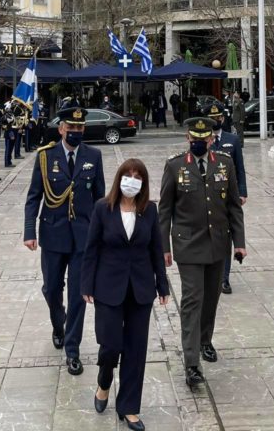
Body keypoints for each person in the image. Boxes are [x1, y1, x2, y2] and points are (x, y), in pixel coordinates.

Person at [82, 159, 169, 431]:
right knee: (110, 345)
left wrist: (162, 285)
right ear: (119, 178)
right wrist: (86, 285)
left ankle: (129, 407)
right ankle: (104, 380)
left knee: (135, 349)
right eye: (128, 175)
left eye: (138, 176)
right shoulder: (102, 208)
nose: (132, 180)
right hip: (108, 287)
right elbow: (91, 248)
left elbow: (156, 249)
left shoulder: (149, 210)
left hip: (140, 289)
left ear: (143, 182)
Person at [158, 117, 245, 389]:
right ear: (188, 138)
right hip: (188, 245)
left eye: (203, 139)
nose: (198, 143)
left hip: (218, 243)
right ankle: (192, 363)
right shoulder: (175, 166)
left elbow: (234, 206)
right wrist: (164, 247)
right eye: (194, 139)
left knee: (211, 299)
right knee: (192, 300)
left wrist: (239, 242)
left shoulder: (224, 163)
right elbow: (164, 210)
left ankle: (205, 340)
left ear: (211, 139)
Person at [24, 105, 106, 376]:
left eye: (80, 128)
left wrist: (104, 234)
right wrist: (29, 231)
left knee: (78, 295)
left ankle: (73, 350)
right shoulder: (46, 157)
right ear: (61, 129)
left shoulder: (94, 155)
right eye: (71, 127)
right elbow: (34, 196)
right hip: (53, 234)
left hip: (83, 237)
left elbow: (100, 199)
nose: (75, 132)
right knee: (51, 289)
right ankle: (58, 323)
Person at [205, 103, 247, 295]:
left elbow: (240, 168)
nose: (216, 121)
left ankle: (224, 278)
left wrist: (242, 192)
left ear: (223, 118)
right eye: (212, 118)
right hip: (209, 196)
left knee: (226, 237)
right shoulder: (203, 141)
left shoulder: (232, 140)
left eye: (218, 117)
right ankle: (211, 275)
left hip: (228, 196)